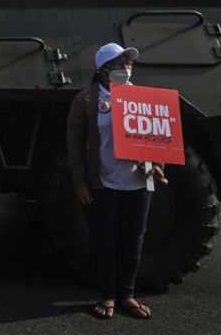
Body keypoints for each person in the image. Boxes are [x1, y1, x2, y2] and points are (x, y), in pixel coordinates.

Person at [66, 42, 165, 320]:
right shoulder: (86, 101)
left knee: (133, 241)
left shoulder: (143, 98)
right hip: (104, 184)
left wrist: (157, 166)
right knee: (104, 241)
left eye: (128, 63)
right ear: (103, 70)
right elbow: (74, 145)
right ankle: (107, 294)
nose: (126, 68)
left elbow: (155, 138)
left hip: (139, 184)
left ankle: (127, 294)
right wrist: (80, 182)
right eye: (119, 65)